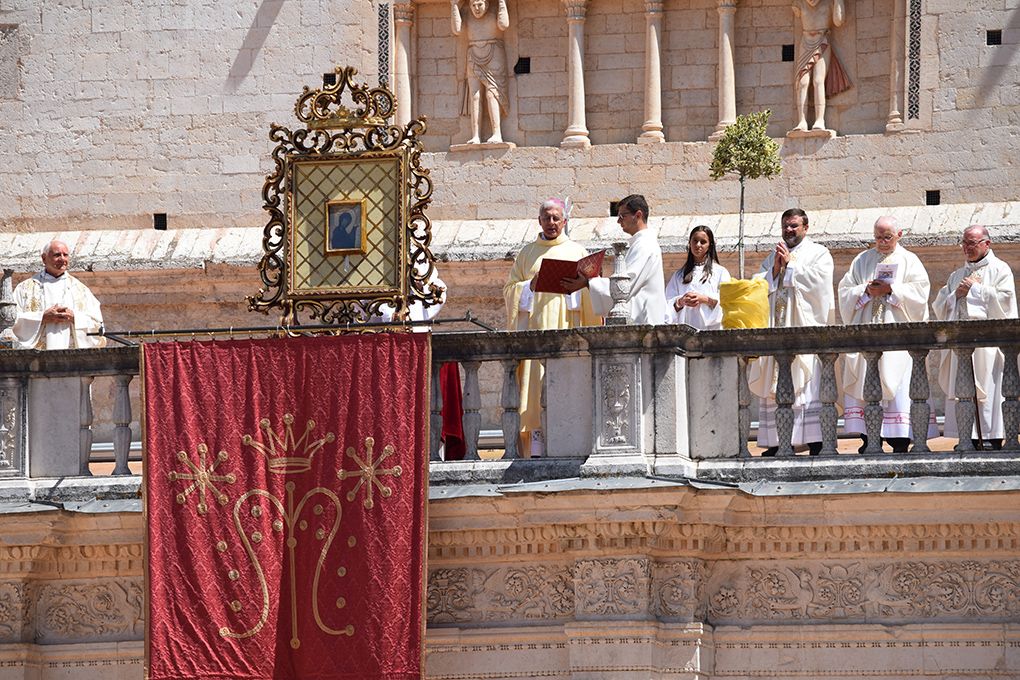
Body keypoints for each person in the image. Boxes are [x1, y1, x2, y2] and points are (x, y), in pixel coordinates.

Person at [504, 199, 601, 456]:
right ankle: (536, 448)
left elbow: (593, 292)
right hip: (535, 336)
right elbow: (509, 291)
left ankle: (570, 442)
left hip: (568, 330)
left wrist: (578, 289)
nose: (551, 223)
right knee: (535, 392)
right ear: (539, 220)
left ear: (565, 221)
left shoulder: (578, 252)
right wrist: (529, 286)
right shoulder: (526, 254)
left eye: (557, 218)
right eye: (547, 218)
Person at [838, 216, 935, 452]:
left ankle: (900, 439)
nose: (882, 242)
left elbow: (920, 294)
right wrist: (866, 290)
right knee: (867, 382)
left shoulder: (910, 261)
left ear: (899, 234)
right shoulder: (862, 260)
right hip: (868, 336)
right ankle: (870, 439)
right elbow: (844, 290)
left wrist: (891, 289)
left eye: (887, 237)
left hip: (898, 340)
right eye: (878, 237)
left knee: (899, 384)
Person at [748, 208, 834, 456]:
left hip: (803, 332)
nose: (789, 230)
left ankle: (815, 441)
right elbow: (759, 284)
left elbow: (820, 285)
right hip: (778, 330)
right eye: (785, 226)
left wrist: (791, 267)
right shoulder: (772, 255)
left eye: (794, 226)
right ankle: (778, 442)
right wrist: (773, 271)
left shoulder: (819, 253)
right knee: (778, 384)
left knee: (806, 386)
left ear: (806, 227)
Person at [933, 225, 1018, 450]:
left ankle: (992, 438)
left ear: (986, 244)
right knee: (963, 391)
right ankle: (967, 437)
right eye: (964, 243)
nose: (966, 248)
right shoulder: (957, 275)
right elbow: (940, 305)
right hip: (961, 345)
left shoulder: (1000, 269)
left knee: (989, 392)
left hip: (988, 348)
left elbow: (1007, 301)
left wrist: (977, 290)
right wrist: (955, 295)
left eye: (972, 243)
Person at [566, 194, 667, 326]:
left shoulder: (644, 245)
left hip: (642, 321)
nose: (618, 222)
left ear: (638, 215)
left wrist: (588, 283)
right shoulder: (640, 243)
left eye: (622, 216)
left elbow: (624, 286)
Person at [13, 240, 105, 350]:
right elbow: (10, 320)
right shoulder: (24, 289)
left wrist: (75, 317)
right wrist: (41, 317)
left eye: (65, 255)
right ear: (44, 258)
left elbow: (98, 324)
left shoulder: (80, 289)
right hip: (36, 359)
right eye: (57, 255)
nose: (62, 259)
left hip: (71, 357)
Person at [451, 0, 510, 145]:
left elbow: (504, 25)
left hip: (494, 53)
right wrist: (453, 6)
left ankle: (497, 133)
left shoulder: (494, 11)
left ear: (487, 4)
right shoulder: (466, 13)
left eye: (479, 5)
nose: (476, 9)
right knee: (475, 96)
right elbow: (457, 30)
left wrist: (502, 2)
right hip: (473, 54)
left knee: (492, 93)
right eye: (473, 5)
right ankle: (475, 135)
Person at [791, 0, 851, 132]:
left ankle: (820, 120)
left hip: (822, 41)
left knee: (818, 81)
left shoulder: (829, 2)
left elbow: (839, 21)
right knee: (802, 82)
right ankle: (801, 121)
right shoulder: (799, 3)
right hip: (805, 42)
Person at [665, 225, 731, 330]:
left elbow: (728, 303)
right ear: (689, 243)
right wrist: (681, 301)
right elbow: (667, 305)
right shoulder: (679, 276)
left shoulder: (720, 273)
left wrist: (705, 299)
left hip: (712, 331)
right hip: (686, 334)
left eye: (703, 242)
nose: (698, 245)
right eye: (695, 241)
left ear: (710, 245)